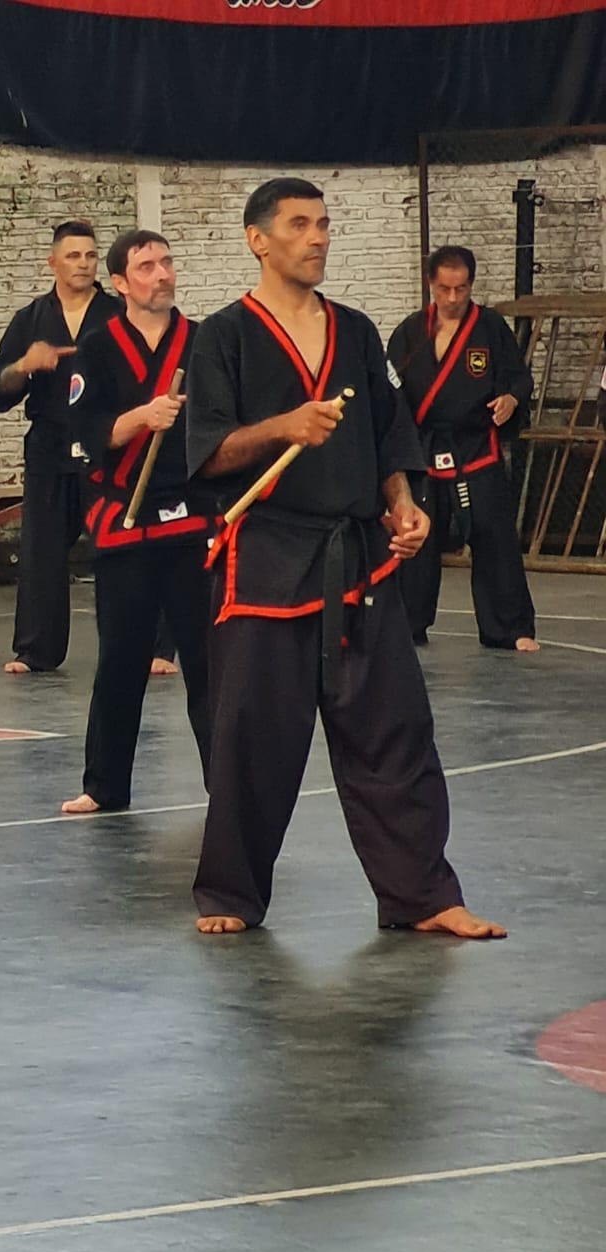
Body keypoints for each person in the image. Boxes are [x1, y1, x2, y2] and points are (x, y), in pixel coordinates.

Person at [185, 179, 504, 941]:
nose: (318, 237)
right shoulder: (224, 336)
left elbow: (391, 436)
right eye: (299, 224)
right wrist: (284, 426)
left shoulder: (356, 332)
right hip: (267, 557)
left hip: (359, 557)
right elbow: (211, 451)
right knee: (255, 735)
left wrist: (403, 502)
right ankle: (230, 890)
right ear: (258, 239)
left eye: (324, 223)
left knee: (396, 728)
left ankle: (422, 894)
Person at [61, 230, 212, 815]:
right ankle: (104, 785)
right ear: (120, 282)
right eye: (146, 266)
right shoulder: (98, 349)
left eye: (166, 262)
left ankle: (226, 784)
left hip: (191, 521)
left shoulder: (202, 342)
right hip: (124, 519)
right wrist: (142, 417)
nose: (162, 274)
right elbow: (85, 433)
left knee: (207, 661)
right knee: (121, 660)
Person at [388, 246, 538, 654]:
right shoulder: (409, 332)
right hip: (423, 450)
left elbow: (519, 378)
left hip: (475, 447)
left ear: (471, 284)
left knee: (493, 537)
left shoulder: (490, 328)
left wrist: (510, 399)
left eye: (461, 288)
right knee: (416, 536)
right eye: (444, 289)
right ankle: (405, 624)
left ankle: (508, 627)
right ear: (430, 285)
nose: (453, 298)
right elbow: (390, 390)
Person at [0, 221, 120, 674]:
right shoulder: (31, 320)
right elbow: (0, 384)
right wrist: (24, 365)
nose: (83, 264)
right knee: (41, 550)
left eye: (90, 256)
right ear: (53, 263)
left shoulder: (118, 315)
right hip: (50, 444)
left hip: (108, 444)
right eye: (73, 256)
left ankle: (148, 646)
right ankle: (36, 649)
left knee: (124, 548)